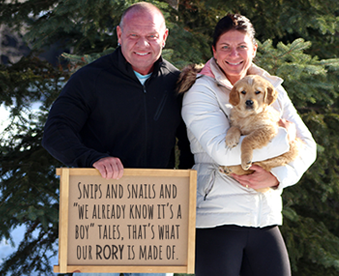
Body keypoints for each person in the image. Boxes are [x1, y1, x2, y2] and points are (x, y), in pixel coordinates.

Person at [42, 2, 193, 276]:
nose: (142, 44)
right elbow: (55, 133)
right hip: (98, 211)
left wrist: (187, 196)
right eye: (133, 35)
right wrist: (94, 158)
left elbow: (190, 147)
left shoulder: (177, 83)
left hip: (156, 216)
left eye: (151, 36)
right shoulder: (90, 79)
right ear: (119, 35)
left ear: (165, 37)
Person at [179, 14, 317, 276]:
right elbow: (223, 151)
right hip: (217, 217)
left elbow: (308, 145)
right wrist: (283, 138)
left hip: (264, 216)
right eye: (225, 47)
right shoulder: (201, 90)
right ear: (214, 51)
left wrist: (277, 177)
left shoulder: (271, 89)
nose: (234, 54)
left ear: (253, 49)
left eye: (242, 46)